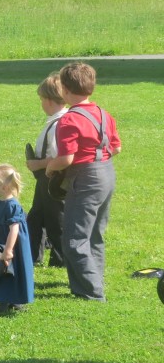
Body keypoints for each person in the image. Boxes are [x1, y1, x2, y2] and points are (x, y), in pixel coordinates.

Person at [47, 62, 121, 301]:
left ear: (65, 91)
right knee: (95, 234)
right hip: (107, 172)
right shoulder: (104, 114)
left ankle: (92, 291)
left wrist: (50, 167)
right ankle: (92, 280)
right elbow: (117, 148)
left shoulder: (68, 120)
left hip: (85, 177)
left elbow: (66, 158)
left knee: (74, 238)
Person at [0, 164, 35, 314]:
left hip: (14, 246)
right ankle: (5, 300)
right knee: (1, 272)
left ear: (4, 187)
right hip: (1, 245)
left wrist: (9, 250)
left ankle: (11, 301)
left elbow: (14, 229)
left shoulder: (12, 206)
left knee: (14, 272)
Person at [24, 74, 67, 266]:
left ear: (49, 101)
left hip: (53, 179)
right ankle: (32, 255)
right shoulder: (53, 120)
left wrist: (37, 164)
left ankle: (61, 257)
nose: (41, 104)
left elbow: (59, 157)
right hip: (44, 179)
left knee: (56, 220)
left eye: (42, 100)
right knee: (35, 217)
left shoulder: (59, 124)